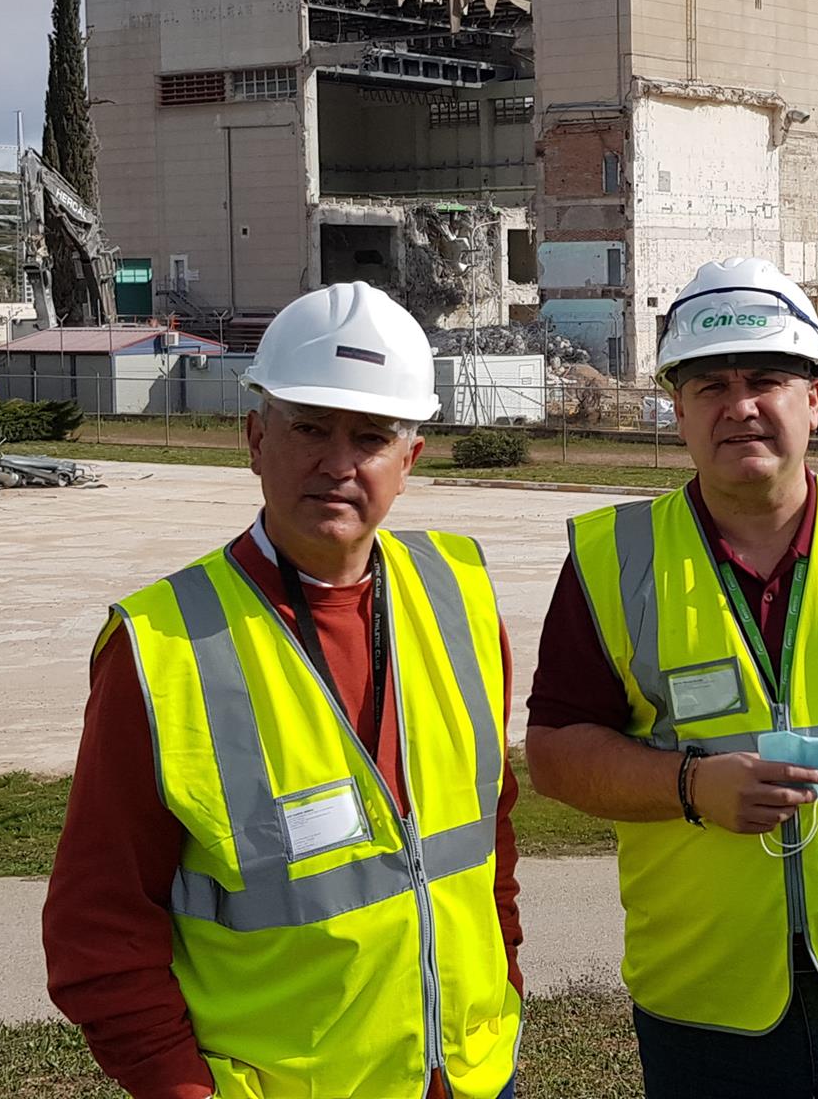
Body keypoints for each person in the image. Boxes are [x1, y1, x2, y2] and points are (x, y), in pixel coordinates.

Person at [526, 258, 818, 1098]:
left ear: (816, 395)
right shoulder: (612, 559)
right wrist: (689, 785)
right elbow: (557, 753)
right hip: (707, 1006)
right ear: (677, 405)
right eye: (710, 385)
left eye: (767, 379)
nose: (739, 406)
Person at [44, 282, 523, 1099]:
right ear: (256, 439)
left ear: (408, 462)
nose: (337, 462)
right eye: (310, 428)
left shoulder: (460, 596)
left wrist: (503, 991)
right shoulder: (162, 648)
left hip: (474, 1076)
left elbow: (488, 845)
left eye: (370, 436)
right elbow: (99, 922)